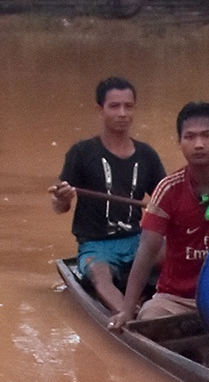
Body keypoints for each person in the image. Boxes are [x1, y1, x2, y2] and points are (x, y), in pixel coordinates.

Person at [110, 101, 209, 332]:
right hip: (176, 299)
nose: (198, 144)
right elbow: (146, 252)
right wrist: (127, 310)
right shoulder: (168, 189)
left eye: (207, 135)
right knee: (150, 320)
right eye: (189, 137)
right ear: (178, 142)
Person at [51, 76, 168, 310]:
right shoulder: (81, 152)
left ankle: (170, 302)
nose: (122, 113)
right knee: (99, 274)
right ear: (100, 110)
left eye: (128, 106)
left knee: (178, 251)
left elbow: (165, 201)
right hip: (97, 245)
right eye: (114, 106)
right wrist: (61, 198)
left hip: (137, 240)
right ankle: (128, 317)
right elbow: (59, 206)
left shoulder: (147, 155)